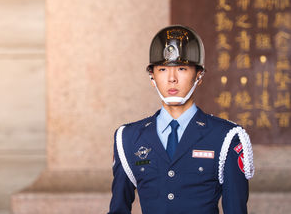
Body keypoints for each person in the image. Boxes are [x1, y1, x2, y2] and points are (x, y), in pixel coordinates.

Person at [107, 25, 254, 214]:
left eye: (182, 68)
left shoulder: (226, 137)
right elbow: (118, 209)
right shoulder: (127, 138)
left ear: (199, 75)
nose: (172, 79)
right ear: (152, 76)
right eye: (162, 69)